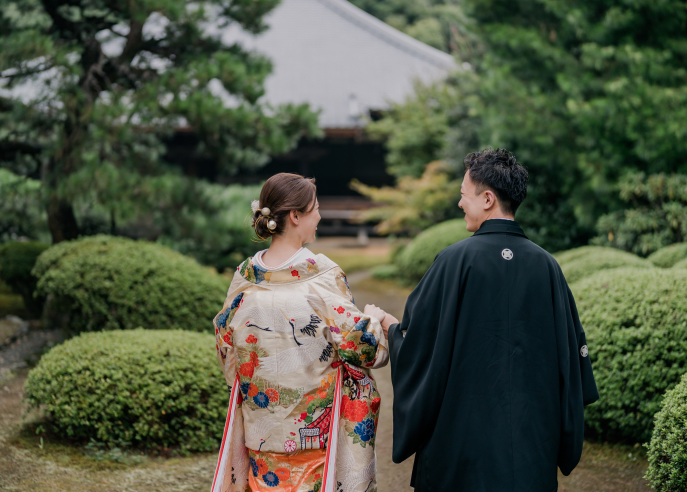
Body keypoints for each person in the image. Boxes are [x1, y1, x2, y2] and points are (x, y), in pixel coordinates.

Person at [382, 148, 599, 491]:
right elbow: (571, 360)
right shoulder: (547, 266)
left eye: (463, 195)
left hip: (461, 447)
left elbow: (420, 345)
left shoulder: (453, 260)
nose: (459, 204)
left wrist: (391, 329)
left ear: (487, 199)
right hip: (531, 446)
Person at [211, 173, 397, 492]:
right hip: (314, 437)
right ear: (296, 216)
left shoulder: (244, 278)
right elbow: (364, 349)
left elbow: (226, 348)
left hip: (261, 434)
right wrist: (372, 318)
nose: (320, 216)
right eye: (316, 209)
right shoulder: (322, 278)